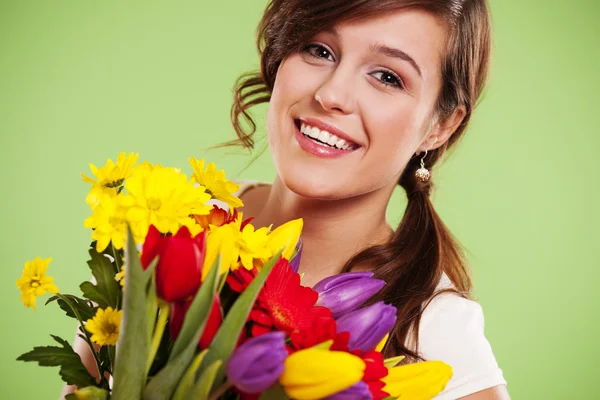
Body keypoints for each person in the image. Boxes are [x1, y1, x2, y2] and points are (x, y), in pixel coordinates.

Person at [64, 0, 509, 399]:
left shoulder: (433, 329)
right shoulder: (175, 220)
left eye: (388, 77)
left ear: (441, 126)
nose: (331, 94)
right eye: (319, 50)